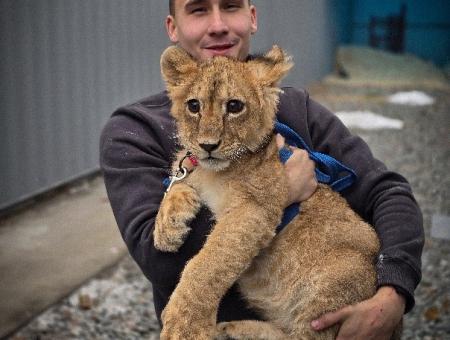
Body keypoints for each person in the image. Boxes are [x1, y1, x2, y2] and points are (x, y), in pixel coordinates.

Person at [100, 0, 424, 339]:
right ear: (172, 27)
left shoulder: (297, 108)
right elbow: (159, 258)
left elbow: (388, 192)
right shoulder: (134, 129)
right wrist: (279, 195)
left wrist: (393, 294)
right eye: (197, 10)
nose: (217, 25)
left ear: (251, 18)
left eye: (230, 6)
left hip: (319, 298)